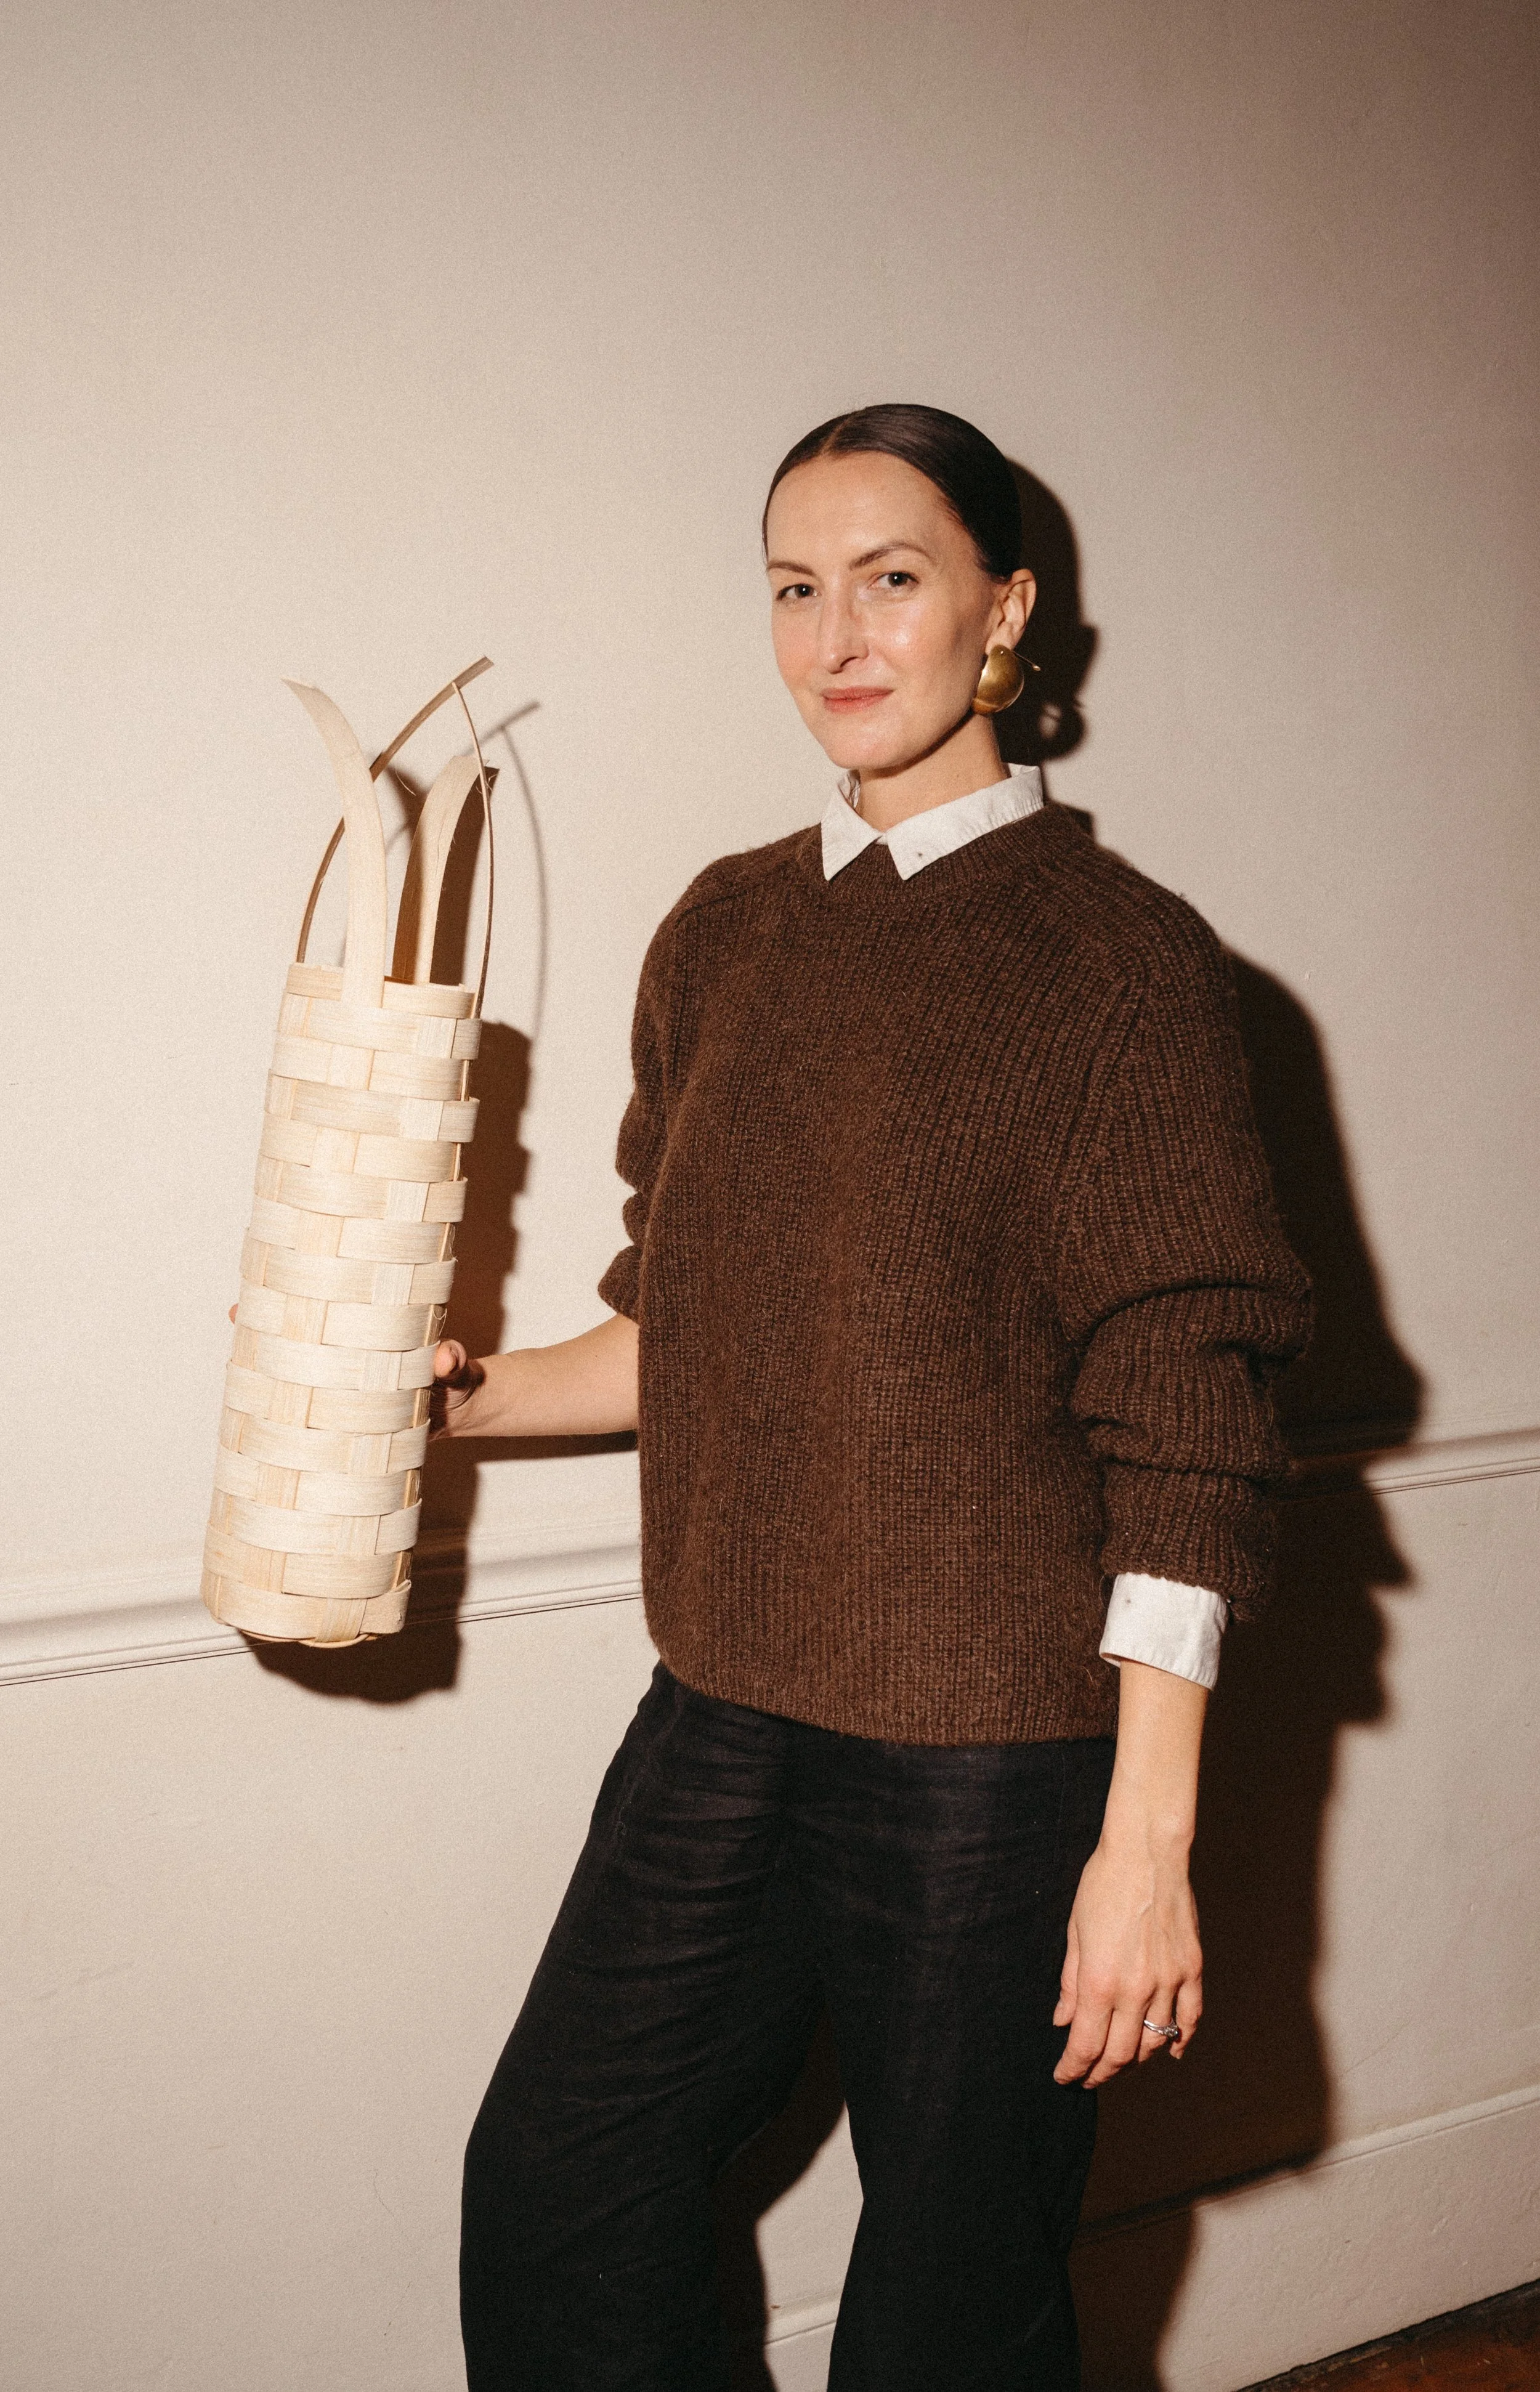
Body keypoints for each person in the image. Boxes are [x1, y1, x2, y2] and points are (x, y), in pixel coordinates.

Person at [436, 404, 1311, 2390]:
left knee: (951, 2296)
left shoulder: (1123, 970)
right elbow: (688, 1326)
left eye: (892, 579)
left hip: (994, 1765)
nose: (839, 635)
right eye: (793, 587)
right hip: (730, 1699)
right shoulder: (727, 927)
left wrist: (1142, 1850)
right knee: (564, 2190)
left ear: (1003, 612)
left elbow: (1188, 1435)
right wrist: (459, 1407)